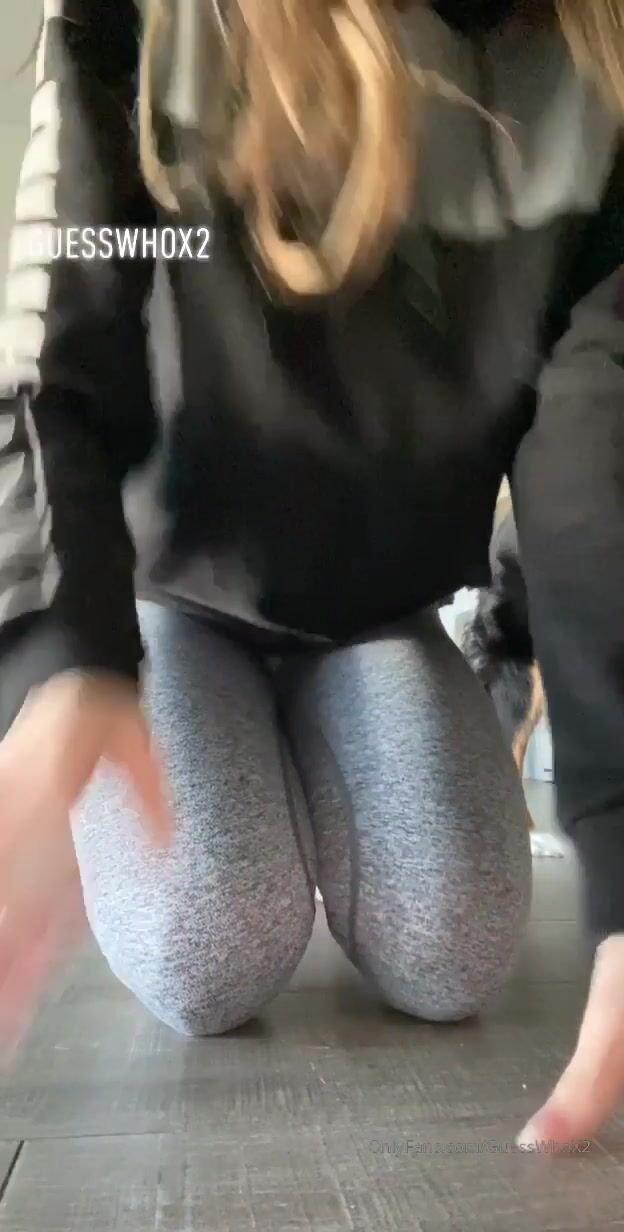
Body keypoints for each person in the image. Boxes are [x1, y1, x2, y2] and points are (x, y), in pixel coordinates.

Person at [0, 0, 623, 1150]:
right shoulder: (146, 23)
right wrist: (68, 654)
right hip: (171, 593)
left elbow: (597, 452)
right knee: (210, 938)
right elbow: (60, 342)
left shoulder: (594, 69)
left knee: (454, 940)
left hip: (380, 609)